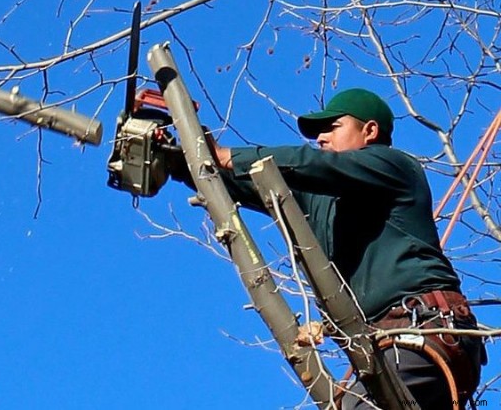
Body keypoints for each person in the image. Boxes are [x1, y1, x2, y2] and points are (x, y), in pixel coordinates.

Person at [177, 88, 486, 409]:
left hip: (424, 329)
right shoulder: (322, 199)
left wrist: (229, 155)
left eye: (332, 128)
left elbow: (311, 164)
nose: (321, 138)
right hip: (387, 346)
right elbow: (252, 183)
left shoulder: (394, 166)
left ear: (369, 130)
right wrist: (181, 160)